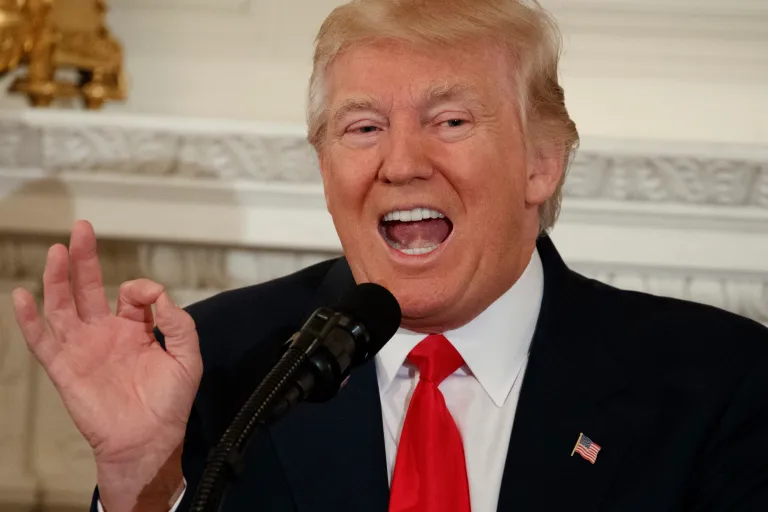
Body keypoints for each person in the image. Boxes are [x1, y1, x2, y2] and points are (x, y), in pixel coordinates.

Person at [11, 0, 768, 511]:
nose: (401, 164)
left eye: (449, 119)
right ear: (324, 167)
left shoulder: (719, 382)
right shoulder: (216, 365)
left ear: (542, 162)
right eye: (363, 128)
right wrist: (142, 483)